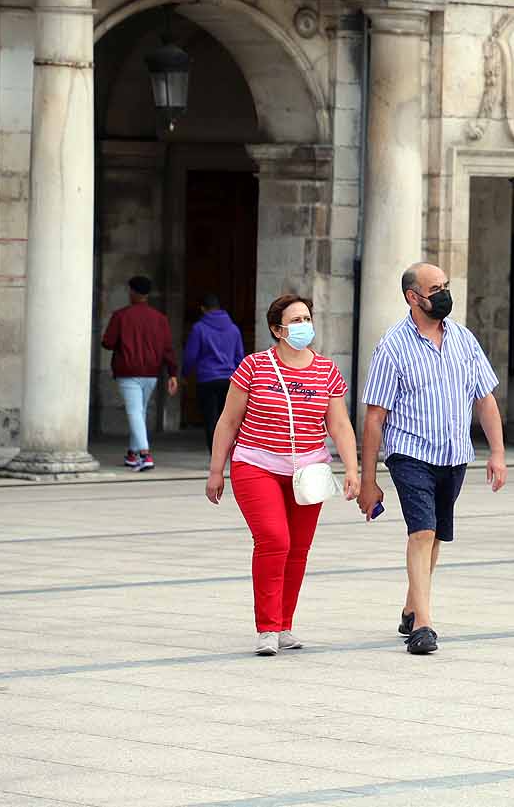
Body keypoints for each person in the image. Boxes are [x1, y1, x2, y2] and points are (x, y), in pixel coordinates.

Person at [357, 262, 508, 655]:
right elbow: (375, 417)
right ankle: (423, 625)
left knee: (436, 534)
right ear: (412, 297)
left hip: (454, 453)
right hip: (411, 453)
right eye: (434, 288)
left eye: (445, 286)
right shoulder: (392, 346)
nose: (443, 293)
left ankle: (411, 606)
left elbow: (485, 398)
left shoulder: (464, 340)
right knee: (421, 532)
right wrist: (368, 479)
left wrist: (498, 452)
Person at [204, 294, 359, 655]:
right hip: (255, 465)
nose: (305, 326)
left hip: (309, 471)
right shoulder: (253, 367)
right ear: (277, 329)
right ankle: (267, 628)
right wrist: (216, 471)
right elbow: (228, 421)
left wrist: (352, 468)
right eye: (297, 321)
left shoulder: (326, 371)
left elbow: (339, 424)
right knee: (275, 540)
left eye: (307, 318)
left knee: (298, 549)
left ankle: (285, 624)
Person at [101, 275, 179, 471]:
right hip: (151, 372)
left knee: (135, 412)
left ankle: (145, 455)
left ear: (133, 292)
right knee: (140, 412)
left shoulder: (120, 316)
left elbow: (108, 342)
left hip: (128, 371)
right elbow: (168, 348)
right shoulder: (160, 319)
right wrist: (172, 374)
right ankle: (132, 454)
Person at [183, 293, 246, 451]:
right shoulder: (233, 329)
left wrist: (184, 374)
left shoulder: (199, 328)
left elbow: (191, 355)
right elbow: (240, 357)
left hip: (207, 379)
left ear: (203, 309)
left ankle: (216, 453)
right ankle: (229, 451)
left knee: (211, 419)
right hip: (229, 380)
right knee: (229, 419)